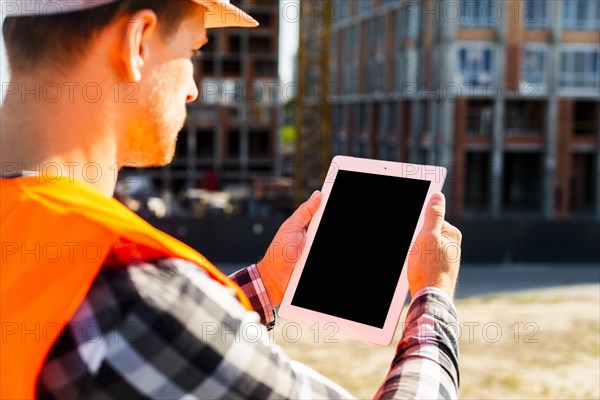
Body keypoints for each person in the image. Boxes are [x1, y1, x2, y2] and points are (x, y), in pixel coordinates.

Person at [0, 0, 463, 399]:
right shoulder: (133, 287)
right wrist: (432, 299)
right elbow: (154, 319)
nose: (192, 88)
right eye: (192, 51)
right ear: (137, 43)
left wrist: (267, 281)